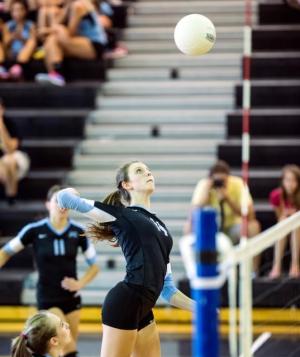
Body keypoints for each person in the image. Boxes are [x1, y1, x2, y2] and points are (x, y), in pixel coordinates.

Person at [56, 161, 194, 357]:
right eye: (140, 171)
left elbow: (167, 289)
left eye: (148, 170)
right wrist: (70, 191)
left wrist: (200, 309)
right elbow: (64, 198)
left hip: (144, 307)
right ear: (126, 185)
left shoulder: (161, 227)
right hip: (126, 300)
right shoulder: (120, 215)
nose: (148, 173)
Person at [0, 185, 99, 357]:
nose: (62, 206)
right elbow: (5, 252)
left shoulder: (78, 231)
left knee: (64, 348)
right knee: (67, 348)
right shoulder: (34, 230)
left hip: (72, 299)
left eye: (67, 202)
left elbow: (95, 266)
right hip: (47, 297)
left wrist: (80, 283)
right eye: (57, 201)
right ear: (48, 204)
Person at [185, 160, 261, 271]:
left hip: (233, 228)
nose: (219, 183)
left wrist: (228, 199)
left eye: (223, 180)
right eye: (217, 181)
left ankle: (253, 271)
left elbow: (250, 215)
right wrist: (207, 193)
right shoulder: (204, 185)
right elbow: (192, 214)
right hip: (211, 229)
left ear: (228, 178)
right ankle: (196, 270)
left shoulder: (238, 183)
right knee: (188, 226)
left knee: (254, 226)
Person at [35, 0, 107, 86]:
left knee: (56, 35)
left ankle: (57, 74)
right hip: (79, 42)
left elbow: (70, 33)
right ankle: (55, 74)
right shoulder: (69, 6)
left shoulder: (79, 6)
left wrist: (47, 30)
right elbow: (55, 24)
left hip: (95, 45)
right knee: (51, 40)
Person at [268, 164, 300, 278]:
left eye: (294, 181)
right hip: (285, 225)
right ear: (282, 181)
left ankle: (295, 264)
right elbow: (279, 216)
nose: (290, 184)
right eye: (287, 180)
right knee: (283, 223)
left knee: (296, 225)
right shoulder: (276, 196)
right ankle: (276, 265)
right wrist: (285, 215)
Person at [0, 99, 30, 204]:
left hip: (17, 159)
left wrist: (1, 125)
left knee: (9, 160)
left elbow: (9, 150)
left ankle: (11, 196)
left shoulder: (9, 124)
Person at [2, 0, 37, 79]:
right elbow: (5, 44)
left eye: (20, 10)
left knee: (32, 41)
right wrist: (12, 37)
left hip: (26, 56)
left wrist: (22, 39)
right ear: (11, 12)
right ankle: (3, 68)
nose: (18, 13)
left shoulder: (31, 25)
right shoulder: (8, 26)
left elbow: (33, 43)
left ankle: (19, 66)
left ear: (25, 11)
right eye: (14, 10)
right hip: (11, 53)